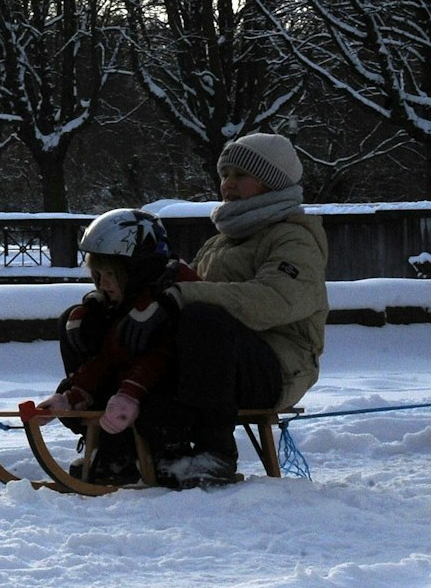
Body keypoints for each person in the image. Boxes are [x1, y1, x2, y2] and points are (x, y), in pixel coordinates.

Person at [116, 133, 329, 486]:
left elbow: (275, 301)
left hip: (278, 365)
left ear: (271, 183)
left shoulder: (293, 238)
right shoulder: (221, 240)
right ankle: (128, 446)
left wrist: (184, 295)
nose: (227, 184)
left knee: (203, 318)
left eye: (240, 175)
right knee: (126, 321)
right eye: (224, 174)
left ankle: (215, 453)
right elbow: (193, 289)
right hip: (217, 360)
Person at [34, 209, 200, 485]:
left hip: (173, 391)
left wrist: (129, 394)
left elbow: (159, 357)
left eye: (111, 275)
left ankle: (168, 453)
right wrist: (73, 396)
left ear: (138, 272)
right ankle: (112, 451)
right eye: (97, 276)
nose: (103, 284)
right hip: (134, 385)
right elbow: (108, 355)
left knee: (157, 404)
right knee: (79, 335)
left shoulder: (165, 303)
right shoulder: (127, 303)